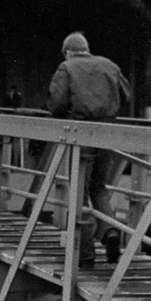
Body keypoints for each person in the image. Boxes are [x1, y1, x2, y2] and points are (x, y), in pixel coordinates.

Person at [47, 31, 132, 268]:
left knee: (80, 193)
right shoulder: (109, 65)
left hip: (81, 132)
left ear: (67, 51)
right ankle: (110, 231)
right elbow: (126, 94)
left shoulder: (67, 67)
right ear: (86, 48)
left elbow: (58, 104)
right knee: (100, 188)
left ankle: (85, 255)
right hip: (107, 132)